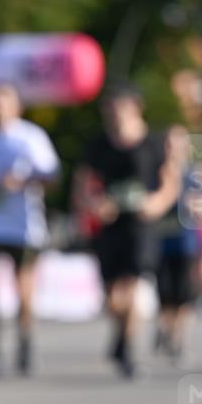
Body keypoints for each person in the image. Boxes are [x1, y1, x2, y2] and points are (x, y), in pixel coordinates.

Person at [74, 83, 179, 377]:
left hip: (141, 224)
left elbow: (171, 181)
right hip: (109, 224)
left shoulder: (153, 143)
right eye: (109, 109)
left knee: (132, 285)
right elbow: (82, 184)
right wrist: (94, 205)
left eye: (119, 108)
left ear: (135, 107)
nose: (114, 115)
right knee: (111, 295)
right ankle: (120, 334)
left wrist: (156, 204)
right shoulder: (98, 144)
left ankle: (129, 348)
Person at [0, 82, 60, 376]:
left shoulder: (30, 138)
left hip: (25, 227)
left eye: (3, 101)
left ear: (16, 106)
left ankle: (25, 342)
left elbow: (52, 175)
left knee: (23, 290)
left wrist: (23, 179)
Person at [153, 126, 202, 363]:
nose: (173, 149)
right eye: (169, 143)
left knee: (184, 294)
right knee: (164, 292)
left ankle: (178, 339)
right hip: (160, 241)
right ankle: (165, 329)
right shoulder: (156, 173)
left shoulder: (193, 174)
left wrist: (196, 205)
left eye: (178, 143)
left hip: (185, 241)